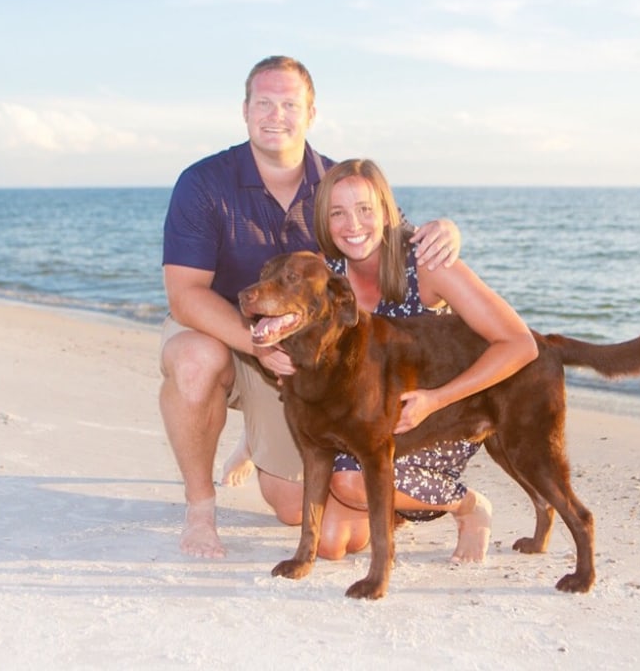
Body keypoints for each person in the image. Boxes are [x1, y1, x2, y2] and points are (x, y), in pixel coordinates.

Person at [160, 56, 461, 558]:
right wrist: (258, 342)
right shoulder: (204, 183)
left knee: (301, 512)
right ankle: (199, 510)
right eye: (264, 103)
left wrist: (446, 229)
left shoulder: (334, 184)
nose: (276, 115)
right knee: (195, 362)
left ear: (311, 113)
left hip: (297, 353)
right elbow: (184, 295)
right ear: (245, 109)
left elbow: (392, 236)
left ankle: (259, 442)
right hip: (221, 331)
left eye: (289, 104)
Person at [311, 158, 539, 564]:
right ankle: (396, 506)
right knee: (330, 545)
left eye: (365, 209)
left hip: (436, 418)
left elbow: (520, 344)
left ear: (386, 211)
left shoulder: (425, 262)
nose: (353, 225)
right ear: (323, 221)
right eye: (337, 213)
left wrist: (437, 398)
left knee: (348, 482)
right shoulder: (324, 275)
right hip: (369, 423)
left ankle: (469, 506)